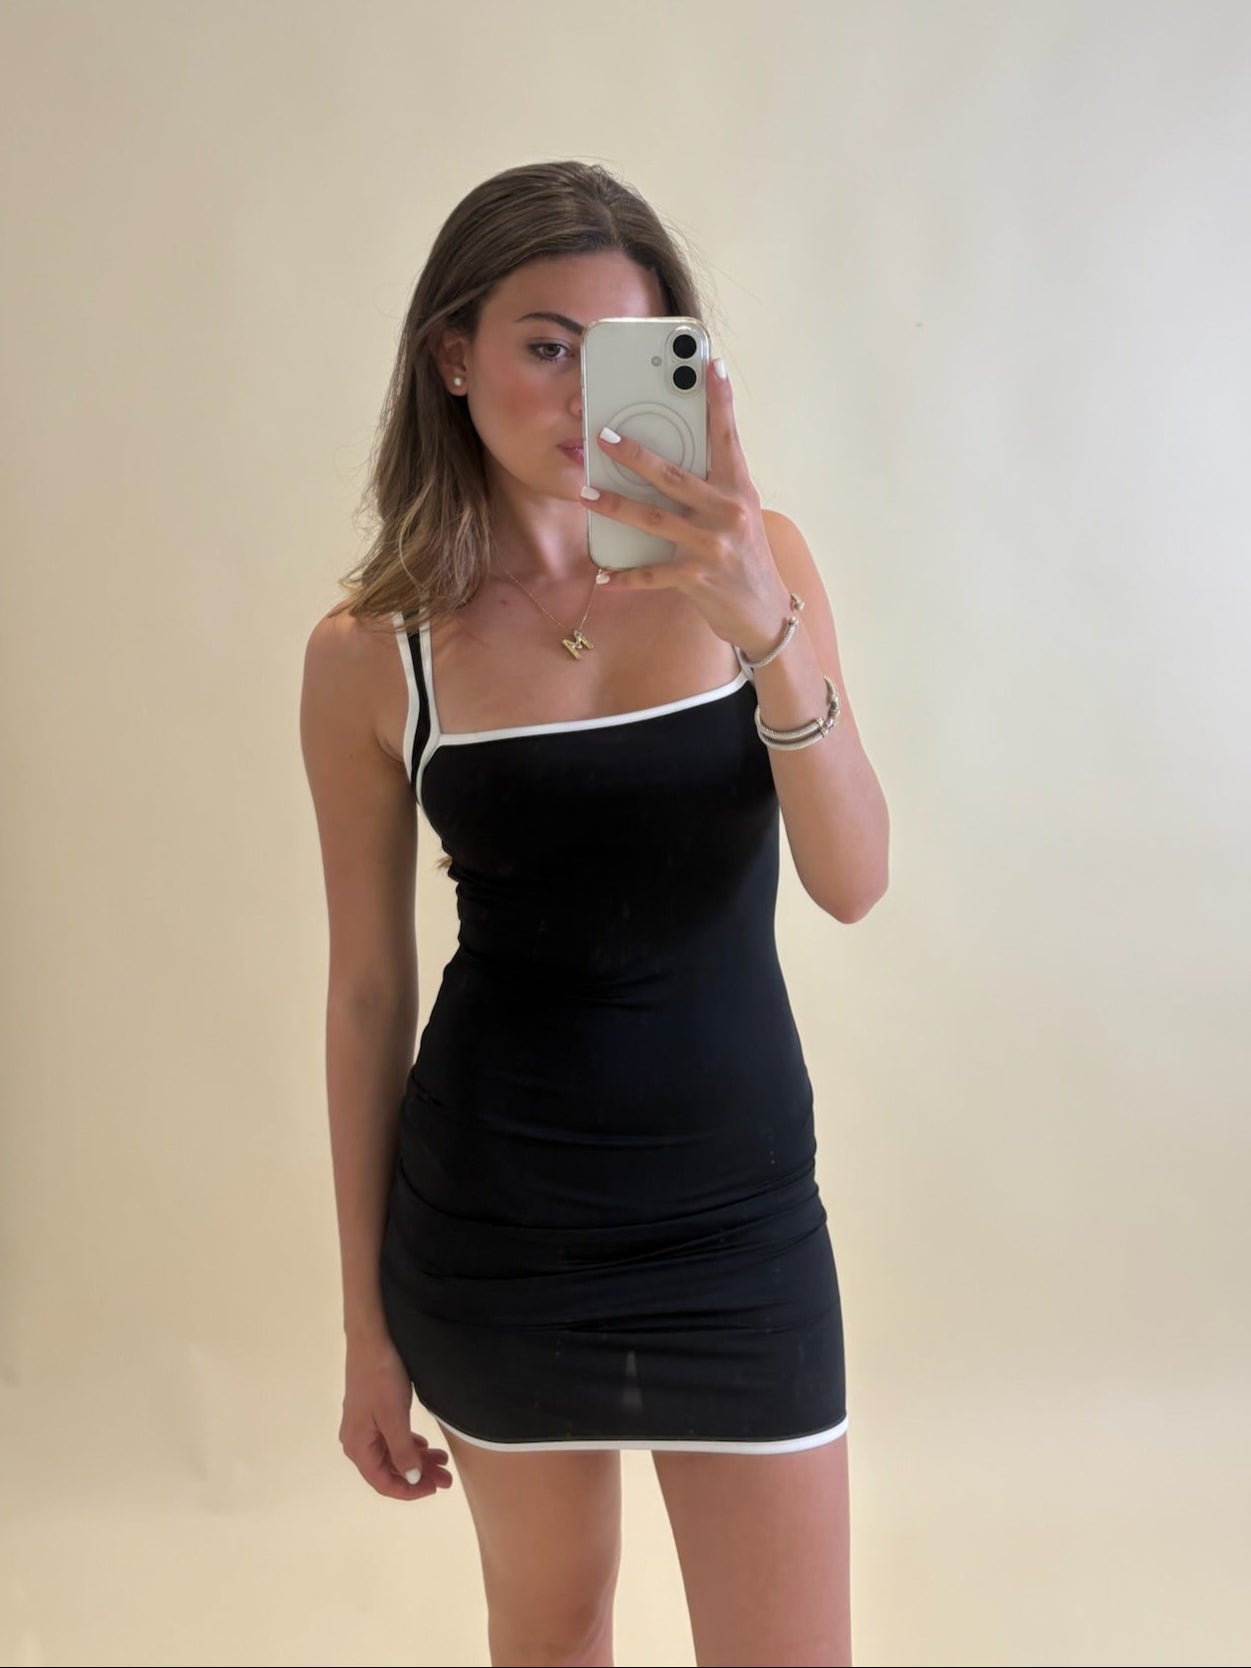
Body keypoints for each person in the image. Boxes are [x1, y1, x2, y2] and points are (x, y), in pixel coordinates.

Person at [299, 159, 890, 1668]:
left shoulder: (762, 568)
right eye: (544, 345)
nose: (582, 394)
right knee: (552, 1635)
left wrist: (764, 628)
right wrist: (366, 1333)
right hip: (495, 1233)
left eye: (624, 351)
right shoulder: (371, 652)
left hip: (739, 1228)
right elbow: (368, 995)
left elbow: (853, 880)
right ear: (453, 355)